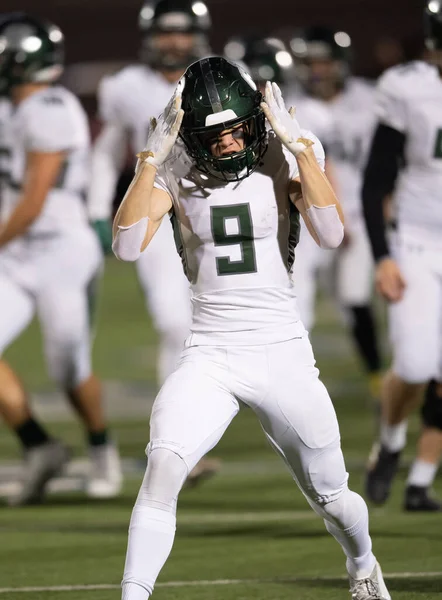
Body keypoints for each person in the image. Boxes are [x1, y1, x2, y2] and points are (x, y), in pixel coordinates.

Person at [113, 56, 391, 600]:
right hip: (210, 354)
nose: (228, 141)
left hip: (281, 348)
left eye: (238, 126)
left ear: (257, 117)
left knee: (332, 496)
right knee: (163, 468)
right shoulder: (174, 165)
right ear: (191, 132)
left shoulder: (287, 151)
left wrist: (304, 153)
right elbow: (126, 247)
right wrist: (149, 160)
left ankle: (363, 565)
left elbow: (332, 233)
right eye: (213, 133)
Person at [88, 0, 219, 485]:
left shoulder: (220, 75)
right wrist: (97, 209)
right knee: (172, 323)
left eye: (182, 33)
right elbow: (107, 151)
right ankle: (181, 444)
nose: (173, 43)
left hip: (216, 213)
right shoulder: (124, 86)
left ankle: (198, 431)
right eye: (165, 33)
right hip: (158, 211)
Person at [0, 12, 122, 505]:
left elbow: (33, 199)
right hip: (16, 250)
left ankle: (101, 450)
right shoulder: (10, 108)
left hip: (60, 251)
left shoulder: (51, 105)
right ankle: (39, 446)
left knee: (69, 368)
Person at [362, 0, 442, 511]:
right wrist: (382, 255)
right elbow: (375, 180)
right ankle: (390, 442)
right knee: (414, 366)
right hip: (416, 240)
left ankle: (422, 477)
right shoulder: (409, 86)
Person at [289, 27, 384, 402]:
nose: (318, 71)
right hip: (322, 216)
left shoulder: (371, 99)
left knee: (357, 294)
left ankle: (383, 378)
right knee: (337, 301)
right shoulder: (294, 107)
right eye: (311, 63)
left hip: (370, 212)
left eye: (325, 62)